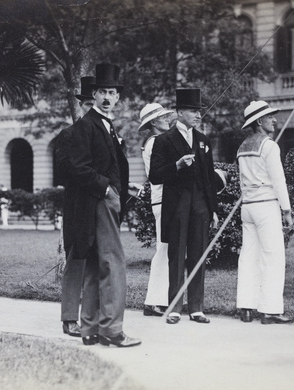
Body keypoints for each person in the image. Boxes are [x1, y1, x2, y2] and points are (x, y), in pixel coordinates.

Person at [64, 63, 141, 347]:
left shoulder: (105, 126)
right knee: (113, 263)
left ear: (118, 97)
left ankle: (91, 330)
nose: (108, 97)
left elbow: (106, 165)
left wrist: (121, 187)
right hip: (99, 203)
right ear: (93, 95)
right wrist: (107, 189)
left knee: (97, 266)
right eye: (102, 92)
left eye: (112, 92)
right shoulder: (87, 126)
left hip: (102, 201)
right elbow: (77, 168)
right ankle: (112, 330)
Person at [149, 88, 219, 325]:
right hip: (177, 205)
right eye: (192, 111)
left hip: (200, 205)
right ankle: (175, 306)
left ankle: (197, 307)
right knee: (177, 255)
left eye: (199, 111)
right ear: (179, 113)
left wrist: (214, 209)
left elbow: (209, 177)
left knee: (198, 254)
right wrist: (177, 166)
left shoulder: (203, 141)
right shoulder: (163, 140)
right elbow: (155, 176)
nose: (198, 115)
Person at [235, 100, 294, 325]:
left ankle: (246, 308)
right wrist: (286, 210)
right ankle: (270, 310)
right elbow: (279, 180)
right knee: (273, 256)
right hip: (266, 205)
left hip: (248, 207)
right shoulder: (269, 146)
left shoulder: (242, 147)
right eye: (270, 117)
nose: (274, 120)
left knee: (248, 256)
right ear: (259, 121)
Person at [54, 76, 95, 338]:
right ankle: (70, 318)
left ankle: (93, 318)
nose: (93, 108)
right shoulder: (68, 136)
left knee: (99, 262)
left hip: (101, 206)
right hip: (78, 205)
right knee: (76, 258)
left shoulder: (109, 136)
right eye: (88, 103)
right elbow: (63, 175)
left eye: (97, 103)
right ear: (80, 106)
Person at [138, 103, 174, 317]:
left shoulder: (157, 141)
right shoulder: (154, 143)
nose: (167, 119)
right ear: (153, 122)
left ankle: (162, 299)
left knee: (167, 250)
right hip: (163, 199)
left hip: (165, 199)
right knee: (163, 249)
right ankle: (153, 301)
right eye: (163, 117)